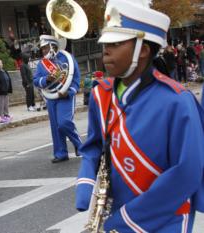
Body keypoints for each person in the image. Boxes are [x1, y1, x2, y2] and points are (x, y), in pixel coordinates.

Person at [76, 0, 204, 232]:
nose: (106, 50)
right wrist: (85, 180)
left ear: (143, 50)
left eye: (115, 43)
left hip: (167, 217)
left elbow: (187, 172)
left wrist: (128, 218)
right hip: (118, 208)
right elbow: (94, 145)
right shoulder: (100, 94)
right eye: (106, 43)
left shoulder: (177, 101)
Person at [33, 35, 82, 163]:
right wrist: (46, 79)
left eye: (45, 48)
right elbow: (36, 80)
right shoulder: (42, 63)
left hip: (65, 95)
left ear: (52, 46)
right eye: (42, 49)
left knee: (64, 123)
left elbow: (76, 77)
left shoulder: (67, 58)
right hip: (51, 97)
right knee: (56, 127)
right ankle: (60, 153)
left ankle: (80, 145)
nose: (43, 51)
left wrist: (69, 91)